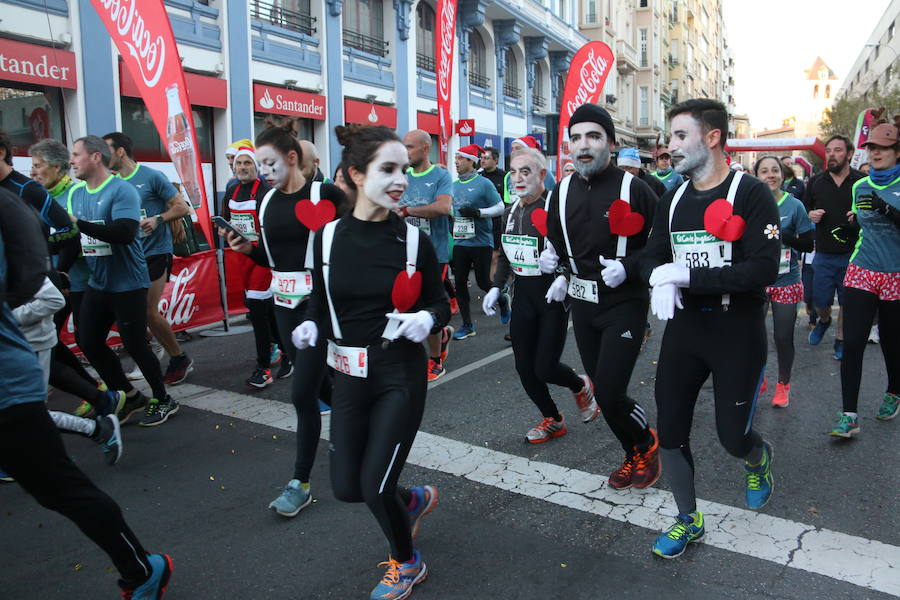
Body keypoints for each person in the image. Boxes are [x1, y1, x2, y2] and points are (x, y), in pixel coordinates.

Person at [292, 123, 448, 600]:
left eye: (404, 168)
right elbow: (319, 300)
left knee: (375, 485)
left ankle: (407, 563)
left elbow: (441, 302)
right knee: (346, 487)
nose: (401, 179)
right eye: (388, 169)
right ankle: (413, 500)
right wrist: (311, 324)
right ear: (356, 175)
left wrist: (427, 317)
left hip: (398, 374)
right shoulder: (326, 239)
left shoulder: (414, 242)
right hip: (347, 376)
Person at [0, 186, 172, 597]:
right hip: (83, 297)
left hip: (9, 381)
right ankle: (103, 413)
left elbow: (43, 283)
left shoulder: (29, 199)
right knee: (93, 345)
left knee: (60, 489)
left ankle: (140, 568)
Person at [641, 98, 781, 559]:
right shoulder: (673, 196)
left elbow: (762, 269)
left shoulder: (752, 194)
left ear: (713, 137)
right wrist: (656, 276)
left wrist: (686, 276)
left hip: (736, 331)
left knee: (731, 436)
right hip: (685, 332)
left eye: (681, 136)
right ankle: (688, 519)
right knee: (671, 429)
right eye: (670, 137)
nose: (671, 146)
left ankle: (757, 459)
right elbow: (653, 254)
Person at [222, 121, 350, 516]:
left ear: (292, 158)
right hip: (284, 303)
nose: (261, 172)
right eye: (258, 165)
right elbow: (275, 261)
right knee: (317, 385)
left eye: (267, 163)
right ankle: (353, 427)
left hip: (320, 304)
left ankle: (300, 481)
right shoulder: (266, 202)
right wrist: (247, 250)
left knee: (300, 393)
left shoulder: (323, 194)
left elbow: (353, 243)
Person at [542, 103, 661, 491]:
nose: (583, 145)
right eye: (576, 138)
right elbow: (557, 246)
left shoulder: (635, 189)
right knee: (602, 389)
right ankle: (633, 453)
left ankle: (647, 443)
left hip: (624, 304)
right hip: (583, 306)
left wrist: (629, 266)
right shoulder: (559, 193)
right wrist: (557, 269)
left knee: (610, 390)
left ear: (610, 142)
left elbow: (665, 245)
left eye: (593, 136)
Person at [483, 148, 598, 442]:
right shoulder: (510, 212)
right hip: (524, 296)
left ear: (542, 175)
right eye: (514, 172)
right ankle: (553, 419)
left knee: (545, 367)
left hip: (553, 298)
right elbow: (506, 255)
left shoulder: (556, 210)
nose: (518, 178)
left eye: (526, 171)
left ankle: (579, 385)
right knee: (524, 367)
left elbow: (579, 254)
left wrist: (563, 277)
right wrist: (497, 285)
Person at [66, 136, 176, 427]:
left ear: (95, 157)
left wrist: (79, 224)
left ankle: (163, 398)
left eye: (76, 154)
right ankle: (128, 395)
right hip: (98, 282)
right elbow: (75, 239)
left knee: (135, 344)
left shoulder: (122, 190)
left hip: (129, 282)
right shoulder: (77, 193)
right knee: (87, 341)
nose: (71, 160)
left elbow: (125, 233)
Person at [29, 139, 119, 419]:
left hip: (80, 281)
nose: (33, 172)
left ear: (57, 167)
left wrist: (59, 271)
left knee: (87, 339)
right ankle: (97, 390)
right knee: (55, 343)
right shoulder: (38, 195)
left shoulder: (75, 192)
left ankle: (110, 391)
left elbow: (77, 236)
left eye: (38, 165)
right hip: (53, 283)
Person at [103, 132, 194, 385]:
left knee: (146, 311)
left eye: (106, 150)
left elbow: (182, 207)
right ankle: (151, 349)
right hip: (127, 255)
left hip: (155, 251)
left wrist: (158, 219)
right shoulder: (110, 184)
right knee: (124, 311)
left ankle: (179, 357)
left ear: (120, 151)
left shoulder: (151, 176)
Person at [831, 120, 900, 436]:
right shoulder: (860, 187)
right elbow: (862, 227)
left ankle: (894, 391)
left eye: (883, 148)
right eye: (872, 147)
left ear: (896, 152)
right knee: (853, 341)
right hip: (862, 269)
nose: (875, 153)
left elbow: (886, 218)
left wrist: (886, 209)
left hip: (896, 273)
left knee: (891, 340)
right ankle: (849, 415)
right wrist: (849, 227)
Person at [222, 145, 293, 388]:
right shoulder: (231, 191)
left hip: (262, 258)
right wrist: (224, 230)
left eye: (247, 163)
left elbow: (273, 225)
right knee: (266, 310)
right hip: (240, 258)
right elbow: (225, 220)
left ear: (256, 167)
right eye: (239, 163)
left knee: (257, 311)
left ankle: (263, 368)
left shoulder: (264, 191)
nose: (242, 167)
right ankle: (287, 353)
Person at [754, 156, 814, 407]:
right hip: (756, 281)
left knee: (782, 336)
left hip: (786, 281)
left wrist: (787, 236)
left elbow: (808, 244)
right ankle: (759, 380)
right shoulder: (750, 204)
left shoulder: (795, 206)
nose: (770, 175)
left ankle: (783, 384)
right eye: (764, 171)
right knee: (753, 336)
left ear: (783, 174)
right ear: (755, 176)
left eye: (775, 170)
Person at [399, 130, 456, 382]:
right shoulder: (401, 175)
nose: (405, 152)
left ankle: (434, 360)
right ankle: (436, 338)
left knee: (428, 306)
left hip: (434, 254)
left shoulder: (441, 176)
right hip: (404, 252)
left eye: (410, 147)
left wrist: (407, 210)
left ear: (425, 149)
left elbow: (443, 207)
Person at [804, 135, 866, 360]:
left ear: (849, 154)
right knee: (820, 301)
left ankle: (840, 339)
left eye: (837, 150)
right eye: (828, 150)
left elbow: (871, 211)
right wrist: (810, 214)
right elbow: (805, 208)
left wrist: (859, 215)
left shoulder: (862, 181)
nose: (831, 154)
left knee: (847, 302)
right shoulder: (816, 182)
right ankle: (824, 320)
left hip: (854, 254)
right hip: (823, 253)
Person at [450, 144, 509, 339]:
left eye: (459, 158)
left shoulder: (484, 183)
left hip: (481, 242)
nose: (456, 161)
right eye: (455, 158)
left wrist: (478, 213)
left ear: (470, 161)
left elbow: (500, 207)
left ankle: (502, 300)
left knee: (484, 282)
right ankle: (467, 325)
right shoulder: (453, 184)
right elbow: (451, 209)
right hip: (460, 242)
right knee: (459, 283)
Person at [504, 136, 555, 202]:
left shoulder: (544, 173)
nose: (513, 152)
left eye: (518, 149)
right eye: (512, 149)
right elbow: (507, 201)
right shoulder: (508, 176)